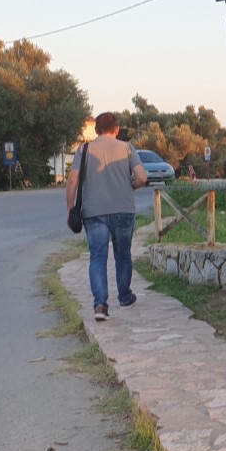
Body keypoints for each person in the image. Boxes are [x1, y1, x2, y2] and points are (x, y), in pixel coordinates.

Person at [66, 112, 148, 321]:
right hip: (123, 210)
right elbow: (142, 177)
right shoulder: (127, 148)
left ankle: (100, 305)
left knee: (97, 257)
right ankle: (125, 296)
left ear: (96, 129)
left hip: (94, 213)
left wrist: (70, 209)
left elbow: (73, 181)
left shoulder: (84, 150)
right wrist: (131, 185)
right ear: (117, 129)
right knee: (123, 254)